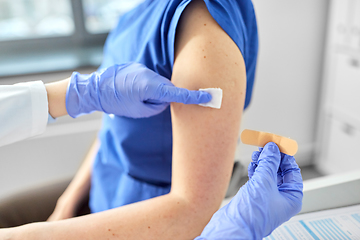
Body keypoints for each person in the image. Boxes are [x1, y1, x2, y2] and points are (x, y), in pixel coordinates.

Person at [0, 0, 303, 239]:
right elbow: (112, 129)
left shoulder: (204, 27)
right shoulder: (136, 14)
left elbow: (190, 212)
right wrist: (69, 200)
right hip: (105, 186)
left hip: (143, 213)